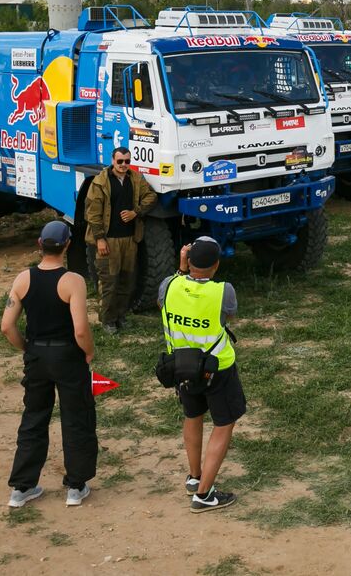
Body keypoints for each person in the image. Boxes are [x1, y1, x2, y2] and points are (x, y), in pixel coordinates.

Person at [2, 220, 97, 509]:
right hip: (67, 356)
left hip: (37, 357)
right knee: (76, 417)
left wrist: (28, 348)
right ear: (68, 244)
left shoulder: (22, 279)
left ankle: (22, 487)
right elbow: (80, 329)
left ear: (39, 245)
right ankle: (76, 486)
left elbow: (7, 326)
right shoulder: (73, 281)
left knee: (34, 417)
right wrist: (89, 352)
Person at [160, 237, 246, 512]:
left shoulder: (169, 285)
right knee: (224, 424)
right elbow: (228, 316)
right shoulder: (224, 291)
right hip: (217, 368)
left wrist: (182, 270)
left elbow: (167, 296)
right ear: (216, 265)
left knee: (192, 416)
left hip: (182, 367)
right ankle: (204, 494)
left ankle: (194, 476)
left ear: (188, 260)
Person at [85, 146, 158, 333]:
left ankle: (121, 316)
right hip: (109, 241)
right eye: (120, 161)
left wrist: (136, 212)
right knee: (109, 282)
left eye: (127, 161)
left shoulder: (135, 179)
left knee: (127, 281)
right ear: (112, 160)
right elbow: (93, 214)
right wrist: (100, 239)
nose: (124, 165)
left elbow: (151, 196)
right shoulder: (100, 182)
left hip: (130, 239)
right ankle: (108, 320)